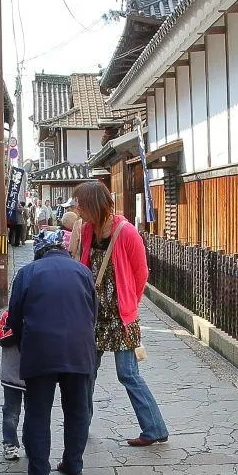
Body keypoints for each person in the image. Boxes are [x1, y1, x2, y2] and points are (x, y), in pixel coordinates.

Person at [73, 180, 169, 447]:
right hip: (92, 316)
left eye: (81, 204)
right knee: (87, 371)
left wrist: (128, 304)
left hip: (120, 318)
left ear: (94, 205)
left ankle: (154, 429)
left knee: (128, 373)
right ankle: (81, 425)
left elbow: (141, 274)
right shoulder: (88, 230)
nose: (78, 210)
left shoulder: (126, 232)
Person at [7, 230, 97, 475]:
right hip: (79, 351)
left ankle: (39, 471)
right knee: (77, 410)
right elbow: (93, 312)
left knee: (37, 411)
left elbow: (14, 316)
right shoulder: (83, 271)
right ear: (65, 251)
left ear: (39, 251)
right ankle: (73, 463)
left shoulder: (28, 273)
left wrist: (27, 343)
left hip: (40, 350)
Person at [0, 310, 23, 461]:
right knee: (11, 411)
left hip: (33, 373)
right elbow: (0, 337)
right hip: (12, 374)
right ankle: (10, 443)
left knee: (34, 413)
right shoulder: (8, 315)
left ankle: (30, 441)